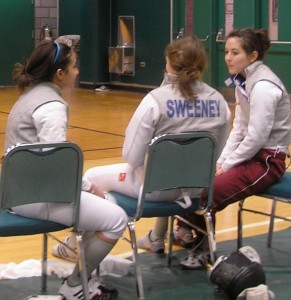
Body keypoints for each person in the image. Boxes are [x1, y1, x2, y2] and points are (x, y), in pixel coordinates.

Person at [53, 35, 231, 260]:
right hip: (197, 189)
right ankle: (156, 237)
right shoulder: (220, 102)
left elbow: (131, 155)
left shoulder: (155, 100)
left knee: (92, 176)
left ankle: (74, 246)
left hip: (154, 190)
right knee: (167, 171)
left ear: (169, 62)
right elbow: (217, 151)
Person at [5, 40, 128, 300]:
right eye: (75, 66)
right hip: (35, 197)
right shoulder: (51, 106)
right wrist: (88, 187)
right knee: (116, 218)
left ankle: (86, 277)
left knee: (105, 205)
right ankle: (75, 287)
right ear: (60, 74)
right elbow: (56, 162)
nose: (78, 72)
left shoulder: (30, 96)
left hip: (21, 191)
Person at [172, 27, 291, 270]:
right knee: (197, 180)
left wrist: (227, 165)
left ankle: (203, 248)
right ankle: (188, 228)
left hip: (268, 160)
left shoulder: (264, 87)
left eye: (235, 52)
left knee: (210, 193)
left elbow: (257, 137)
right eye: (227, 51)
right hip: (252, 155)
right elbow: (239, 128)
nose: (228, 57)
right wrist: (220, 161)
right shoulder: (243, 81)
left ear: (253, 56)